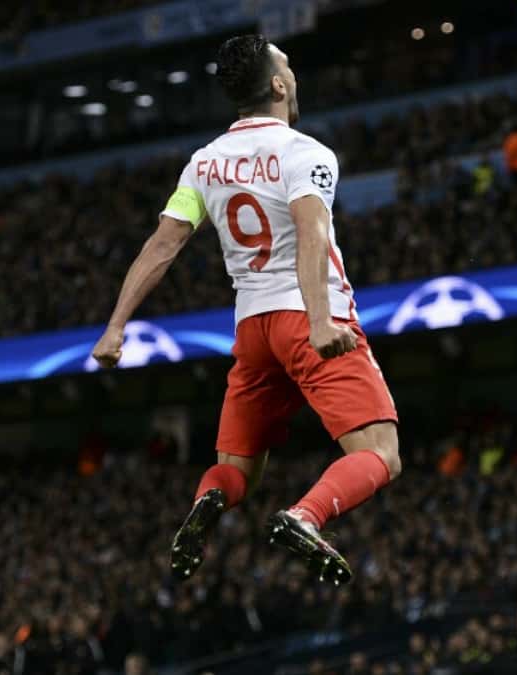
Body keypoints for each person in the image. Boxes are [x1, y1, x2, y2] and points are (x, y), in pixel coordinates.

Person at [91, 34, 400, 585]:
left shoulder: (204, 164)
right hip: (305, 320)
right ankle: (307, 516)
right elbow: (311, 231)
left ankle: (208, 501)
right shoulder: (307, 154)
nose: (295, 75)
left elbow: (163, 244)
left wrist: (115, 328)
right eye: (290, 67)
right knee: (380, 451)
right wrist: (322, 319)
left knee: (236, 471)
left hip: (252, 330)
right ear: (279, 85)